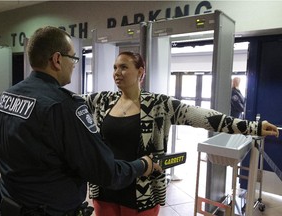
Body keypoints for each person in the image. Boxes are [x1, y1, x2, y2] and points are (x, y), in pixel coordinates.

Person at [84, 51, 279, 216]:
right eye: (115, 67)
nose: (117, 73)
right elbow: (68, 103)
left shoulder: (159, 105)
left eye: (124, 67)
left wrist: (251, 127)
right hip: (105, 188)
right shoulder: (102, 101)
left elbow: (205, 117)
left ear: (140, 72)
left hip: (142, 193)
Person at [0, 27, 162, 216]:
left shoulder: (4, 98)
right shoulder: (64, 106)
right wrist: (142, 165)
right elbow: (105, 171)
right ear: (57, 60)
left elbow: (0, 157)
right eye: (73, 58)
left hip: (8, 207)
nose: (74, 64)